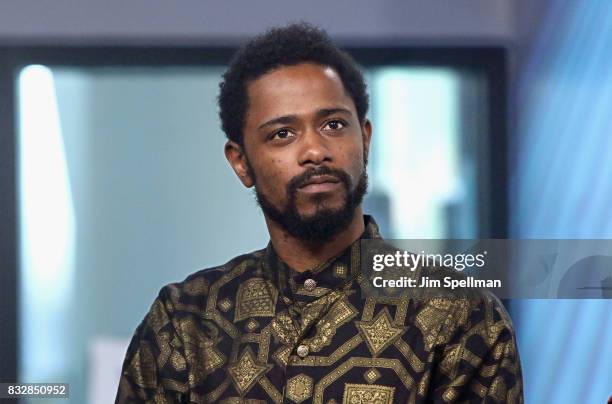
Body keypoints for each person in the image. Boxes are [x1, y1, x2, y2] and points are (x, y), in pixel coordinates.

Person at [115, 23, 523, 403]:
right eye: (283, 134)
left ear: (364, 139)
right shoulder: (186, 321)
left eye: (332, 124)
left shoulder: (459, 315)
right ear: (241, 163)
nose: (315, 151)